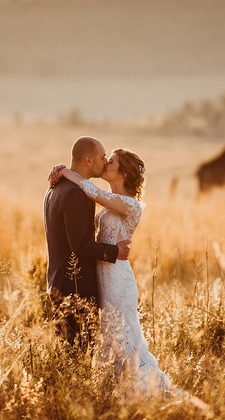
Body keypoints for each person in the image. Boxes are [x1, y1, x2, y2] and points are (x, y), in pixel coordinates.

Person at [48, 146, 175, 396]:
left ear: (124, 173)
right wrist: (61, 171)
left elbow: (91, 190)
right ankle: (112, 389)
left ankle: (142, 390)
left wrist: (64, 171)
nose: (106, 164)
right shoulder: (112, 202)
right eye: (106, 160)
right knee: (108, 333)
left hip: (117, 277)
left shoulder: (131, 205)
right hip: (101, 275)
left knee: (123, 333)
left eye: (112, 162)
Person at [44, 136, 130, 346]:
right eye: (102, 157)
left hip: (57, 282)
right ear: (89, 161)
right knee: (80, 351)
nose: (105, 162)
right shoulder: (76, 193)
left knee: (70, 355)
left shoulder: (54, 188)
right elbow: (80, 245)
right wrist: (114, 252)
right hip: (75, 287)